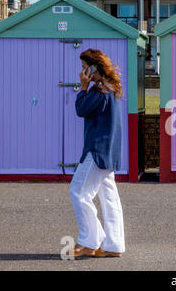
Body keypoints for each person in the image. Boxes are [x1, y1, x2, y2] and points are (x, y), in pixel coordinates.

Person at [69, 49, 125, 258]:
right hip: (109, 151)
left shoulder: (100, 90)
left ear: (94, 68)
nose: (82, 72)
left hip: (97, 150)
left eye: (85, 68)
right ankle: (114, 245)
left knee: (78, 191)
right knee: (109, 198)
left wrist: (83, 87)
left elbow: (81, 109)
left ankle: (89, 241)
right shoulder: (110, 87)